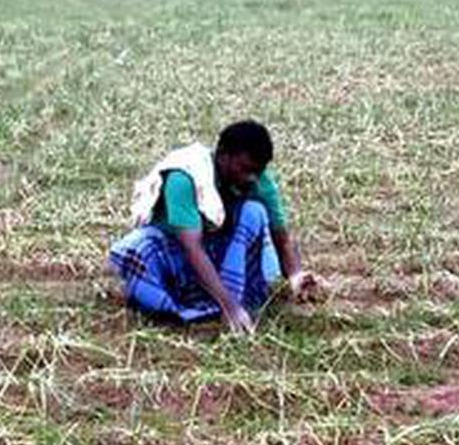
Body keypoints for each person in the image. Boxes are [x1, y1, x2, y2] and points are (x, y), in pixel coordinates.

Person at [108, 120, 318, 333]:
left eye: (257, 171)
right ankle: (191, 309)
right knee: (135, 250)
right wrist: (230, 307)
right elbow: (192, 249)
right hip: (174, 256)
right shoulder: (185, 177)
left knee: (255, 213)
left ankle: (236, 301)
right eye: (245, 169)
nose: (251, 177)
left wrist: (295, 275)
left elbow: (281, 239)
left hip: (219, 256)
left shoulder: (258, 181)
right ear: (223, 155)